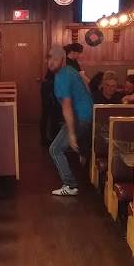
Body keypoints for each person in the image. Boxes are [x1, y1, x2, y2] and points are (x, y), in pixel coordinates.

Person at [47, 46, 94, 196]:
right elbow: (86, 86)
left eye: (55, 59)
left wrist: (72, 134)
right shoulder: (71, 71)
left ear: (63, 60)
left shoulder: (62, 76)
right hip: (86, 116)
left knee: (55, 149)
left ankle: (70, 185)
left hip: (80, 118)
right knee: (69, 148)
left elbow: (66, 106)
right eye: (49, 58)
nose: (51, 62)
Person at [40, 64, 62, 148]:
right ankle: (53, 139)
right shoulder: (53, 82)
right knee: (52, 121)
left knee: (45, 119)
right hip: (52, 105)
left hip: (47, 104)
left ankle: (44, 138)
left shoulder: (45, 82)